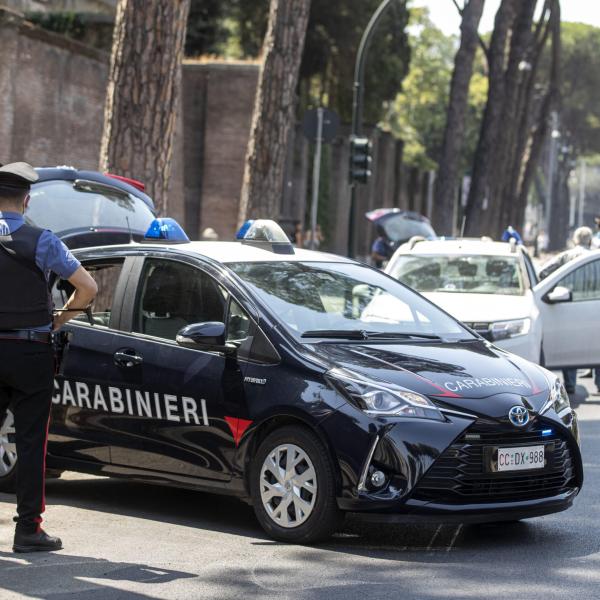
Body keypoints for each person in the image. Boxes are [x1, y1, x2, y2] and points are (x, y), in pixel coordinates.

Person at [0, 162, 97, 553]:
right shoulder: (42, 241)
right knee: (30, 441)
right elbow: (87, 288)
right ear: (26, 200)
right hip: (30, 351)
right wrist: (57, 321)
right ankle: (28, 530)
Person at [538, 226, 594, 394]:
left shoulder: (566, 256)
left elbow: (543, 272)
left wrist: (557, 286)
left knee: (572, 343)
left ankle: (570, 384)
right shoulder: (594, 257)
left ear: (575, 240)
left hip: (571, 305)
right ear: (590, 240)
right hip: (595, 305)